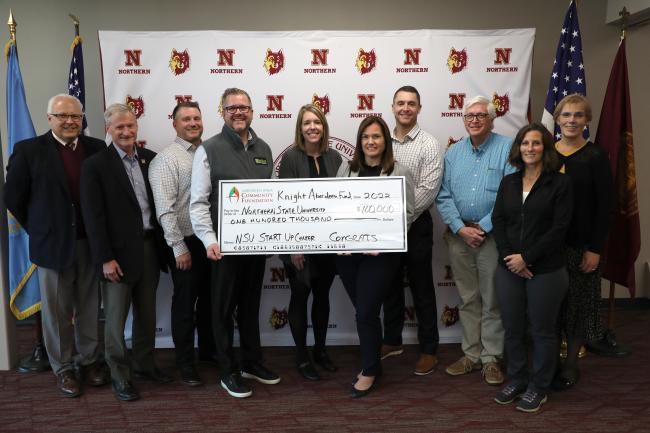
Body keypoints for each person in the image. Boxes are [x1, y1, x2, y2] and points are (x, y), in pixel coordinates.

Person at [4, 94, 108, 397]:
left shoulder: (96, 148)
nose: (70, 122)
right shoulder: (29, 151)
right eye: (62, 116)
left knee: (89, 306)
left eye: (75, 116)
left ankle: (88, 360)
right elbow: (13, 198)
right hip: (52, 246)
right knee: (57, 310)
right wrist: (39, 228)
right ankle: (63, 367)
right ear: (50, 118)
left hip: (90, 244)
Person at [190, 88, 278, 399]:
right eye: (231, 108)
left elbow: (272, 200)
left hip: (256, 247)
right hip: (223, 249)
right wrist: (209, 239)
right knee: (222, 309)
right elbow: (198, 202)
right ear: (222, 112)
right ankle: (228, 370)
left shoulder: (264, 148)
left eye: (243, 107)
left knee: (251, 306)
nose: (238, 113)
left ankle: (252, 361)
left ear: (252, 111)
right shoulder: (209, 149)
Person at [81, 103, 171, 402]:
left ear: (137, 127)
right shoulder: (95, 165)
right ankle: (120, 376)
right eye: (119, 127)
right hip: (116, 257)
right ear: (109, 129)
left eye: (130, 126)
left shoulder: (150, 159)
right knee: (117, 322)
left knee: (147, 315)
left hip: (149, 250)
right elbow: (93, 219)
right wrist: (105, 258)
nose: (126, 131)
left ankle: (144, 364)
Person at [492, 123, 573, 413]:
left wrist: (527, 258)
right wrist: (510, 258)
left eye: (536, 143)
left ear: (545, 148)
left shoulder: (560, 184)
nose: (530, 148)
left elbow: (559, 228)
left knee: (542, 330)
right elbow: (498, 222)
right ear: (518, 148)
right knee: (513, 329)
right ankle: (517, 379)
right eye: (525, 143)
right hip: (509, 268)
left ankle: (539, 386)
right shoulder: (509, 182)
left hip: (547, 270)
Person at [435, 95, 515, 385]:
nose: (474, 120)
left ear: (492, 119)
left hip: (491, 237)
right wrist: (460, 228)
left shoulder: (507, 148)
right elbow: (442, 195)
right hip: (459, 238)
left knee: (492, 300)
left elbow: (511, 194)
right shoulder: (454, 153)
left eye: (481, 115)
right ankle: (471, 354)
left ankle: (491, 358)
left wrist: (481, 228)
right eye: (469, 116)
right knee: (468, 299)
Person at [336, 116, 414, 398]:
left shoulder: (399, 171)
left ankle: (369, 370)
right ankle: (374, 364)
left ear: (385, 141)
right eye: (366, 137)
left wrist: (383, 238)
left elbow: (407, 215)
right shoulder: (347, 168)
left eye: (377, 137)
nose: (371, 142)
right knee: (364, 312)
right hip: (347, 256)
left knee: (366, 312)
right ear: (360, 141)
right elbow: (335, 207)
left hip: (380, 256)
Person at [149, 101, 216, 387]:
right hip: (185, 243)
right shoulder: (167, 159)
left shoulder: (209, 153)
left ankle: (209, 353)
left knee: (210, 302)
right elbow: (165, 209)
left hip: (209, 241)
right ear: (174, 123)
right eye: (186, 118)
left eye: (197, 118)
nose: (192, 123)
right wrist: (178, 247)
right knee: (186, 305)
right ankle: (185, 363)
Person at [551, 94, 614, 390]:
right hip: (549, 247)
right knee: (552, 306)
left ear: (587, 120)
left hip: (583, 246)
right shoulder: (546, 154)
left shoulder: (596, 156)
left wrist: (595, 249)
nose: (572, 121)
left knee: (578, 306)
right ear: (557, 119)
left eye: (578, 115)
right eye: (566, 115)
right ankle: (549, 362)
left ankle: (571, 364)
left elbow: (605, 207)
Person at [381, 86, 444, 376]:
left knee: (421, 288)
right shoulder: (381, 141)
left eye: (411, 104)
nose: (405, 108)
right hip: (385, 226)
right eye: (400, 103)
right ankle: (392, 341)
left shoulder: (430, 144)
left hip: (416, 225)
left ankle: (429, 349)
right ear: (393, 108)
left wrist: (400, 220)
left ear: (419, 108)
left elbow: (428, 190)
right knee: (389, 285)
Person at [277, 104, 342, 381]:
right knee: (300, 296)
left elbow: (342, 200)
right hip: (299, 246)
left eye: (317, 122)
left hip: (328, 245)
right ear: (300, 128)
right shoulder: (291, 158)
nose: (312, 127)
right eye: (306, 123)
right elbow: (286, 204)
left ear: (323, 126)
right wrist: (294, 245)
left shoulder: (335, 157)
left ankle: (320, 350)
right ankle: (302, 356)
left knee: (323, 297)